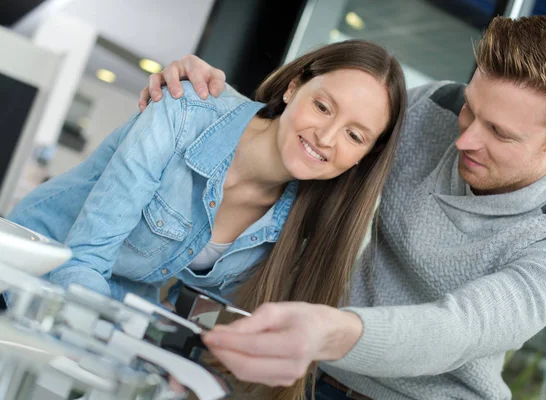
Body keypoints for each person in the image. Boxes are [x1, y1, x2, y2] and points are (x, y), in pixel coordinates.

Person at [141, 15, 546, 400]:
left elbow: (458, 329)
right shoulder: (431, 108)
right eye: (470, 108)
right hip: (311, 372)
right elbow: (311, 142)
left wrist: (328, 331)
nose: (464, 138)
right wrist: (201, 101)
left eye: (499, 133)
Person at [5, 40, 406, 398]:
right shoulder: (184, 111)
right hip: (27, 276)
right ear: (294, 86)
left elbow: (200, 314)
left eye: (355, 135)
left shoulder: (299, 222)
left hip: (106, 318)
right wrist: (128, 355)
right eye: (323, 107)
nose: (327, 137)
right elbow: (83, 259)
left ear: (364, 156)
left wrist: (176, 365)